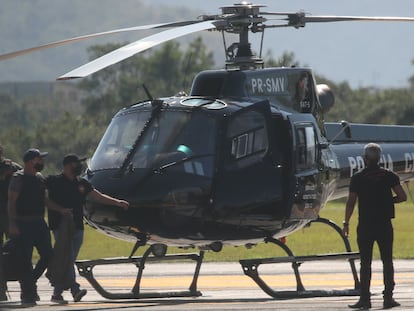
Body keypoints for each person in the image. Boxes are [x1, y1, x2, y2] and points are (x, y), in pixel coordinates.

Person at [46, 153, 129, 304]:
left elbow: (97, 196)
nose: (78, 166)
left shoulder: (82, 183)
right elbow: (45, 200)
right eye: (75, 164)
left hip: (78, 226)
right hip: (61, 226)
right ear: (66, 166)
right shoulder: (54, 182)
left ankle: (56, 294)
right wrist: (60, 210)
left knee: (68, 260)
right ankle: (74, 289)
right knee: (68, 257)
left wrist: (117, 203)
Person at [343, 143, 407, 310]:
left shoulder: (358, 177)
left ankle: (365, 299)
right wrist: (387, 201)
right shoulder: (389, 176)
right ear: (379, 158)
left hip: (365, 225)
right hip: (384, 224)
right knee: (387, 261)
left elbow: (351, 202)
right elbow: (402, 196)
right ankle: (388, 298)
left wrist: (346, 222)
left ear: (365, 158)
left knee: (365, 263)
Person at [7, 148, 70, 305]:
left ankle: (30, 282)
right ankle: (27, 294)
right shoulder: (18, 178)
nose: (42, 162)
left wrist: (61, 209)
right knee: (25, 260)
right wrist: (13, 223)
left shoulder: (40, 178)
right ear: (30, 161)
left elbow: (45, 200)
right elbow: (11, 202)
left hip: (39, 223)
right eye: (39, 159)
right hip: (23, 223)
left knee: (48, 255)